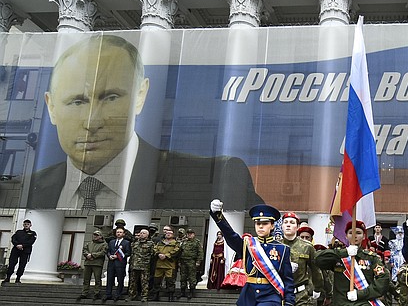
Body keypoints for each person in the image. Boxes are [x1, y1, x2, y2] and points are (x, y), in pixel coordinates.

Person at [28, 35, 261, 211]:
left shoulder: (216, 175)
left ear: (140, 95)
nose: (92, 122)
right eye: (77, 101)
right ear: (51, 107)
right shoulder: (27, 189)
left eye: (110, 97)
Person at [3, 219, 36, 284]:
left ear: (30, 225)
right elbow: (13, 239)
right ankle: (8, 277)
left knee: (22, 265)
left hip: (25, 251)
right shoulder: (18, 232)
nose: (26, 225)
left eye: (28, 224)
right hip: (16, 250)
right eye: (25, 224)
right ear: (23, 225)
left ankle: (18, 278)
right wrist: (17, 245)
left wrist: (22, 245)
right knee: (12, 263)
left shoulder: (32, 233)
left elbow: (31, 242)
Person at [152, 226, 180, 302]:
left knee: (170, 281)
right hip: (159, 265)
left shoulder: (176, 243)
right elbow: (154, 249)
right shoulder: (160, 242)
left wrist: (166, 255)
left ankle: (170, 295)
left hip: (170, 265)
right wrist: (158, 254)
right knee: (157, 281)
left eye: (170, 233)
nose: (168, 234)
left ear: (173, 235)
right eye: (167, 233)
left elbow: (177, 251)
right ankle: (156, 295)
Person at [77, 230, 107, 301]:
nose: (95, 236)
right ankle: (84, 293)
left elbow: (103, 252)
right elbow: (84, 250)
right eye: (94, 235)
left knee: (97, 279)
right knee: (86, 279)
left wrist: (92, 255)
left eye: (97, 235)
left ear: (100, 236)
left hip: (97, 264)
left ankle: (97, 293)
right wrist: (87, 255)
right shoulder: (89, 243)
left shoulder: (104, 244)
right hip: (88, 263)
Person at [104, 227, 131, 302]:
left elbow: (128, 253)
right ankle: (108, 294)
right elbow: (108, 251)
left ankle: (118, 294)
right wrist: (109, 256)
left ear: (123, 234)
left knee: (120, 279)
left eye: (120, 232)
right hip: (111, 263)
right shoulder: (111, 242)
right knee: (110, 279)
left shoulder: (126, 243)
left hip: (120, 264)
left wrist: (119, 256)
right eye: (117, 232)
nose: (119, 233)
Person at [128, 228, 154, 303]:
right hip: (134, 265)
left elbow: (152, 254)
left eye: (144, 233)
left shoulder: (150, 244)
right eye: (141, 233)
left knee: (144, 282)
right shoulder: (134, 243)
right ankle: (132, 295)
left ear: (147, 235)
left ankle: (144, 296)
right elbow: (132, 254)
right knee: (133, 282)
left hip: (144, 266)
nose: (141, 234)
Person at [177, 228, 202, 299]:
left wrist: (198, 261)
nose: (189, 235)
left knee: (192, 277)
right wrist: (179, 261)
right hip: (183, 261)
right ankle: (182, 291)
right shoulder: (184, 242)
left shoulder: (196, 242)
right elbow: (180, 251)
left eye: (191, 234)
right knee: (183, 277)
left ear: (194, 234)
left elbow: (200, 252)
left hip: (191, 261)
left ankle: (192, 291)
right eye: (188, 234)